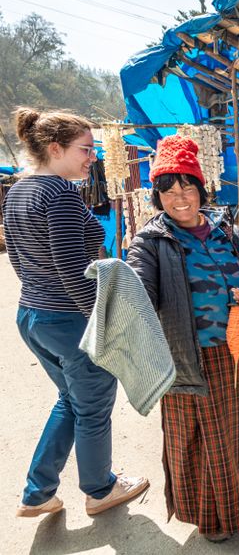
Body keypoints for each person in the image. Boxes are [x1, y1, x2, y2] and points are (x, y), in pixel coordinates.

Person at [3, 108, 149, 518]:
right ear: (55, 149)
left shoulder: (19, 191)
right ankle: (100, 489)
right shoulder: (59, 195)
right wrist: (101, 322)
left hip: (32, 316)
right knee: (93, 406)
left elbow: (17, 258)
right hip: (69, 321)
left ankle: (38, 492)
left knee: (71, 399)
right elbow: (72, 269)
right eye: (85, 149)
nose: (92, 158)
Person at [126, 134, 239, 542]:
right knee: (194, 437)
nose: (179, 197)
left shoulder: (227, 229)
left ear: (200, 187)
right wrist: (118, 285)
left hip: (232, 349)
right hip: (183, 357)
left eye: (186, 185)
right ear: (157, 196)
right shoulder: (151, 242)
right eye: (167, 190)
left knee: (236, 428)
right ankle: (210, 515)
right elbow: (138, 291)